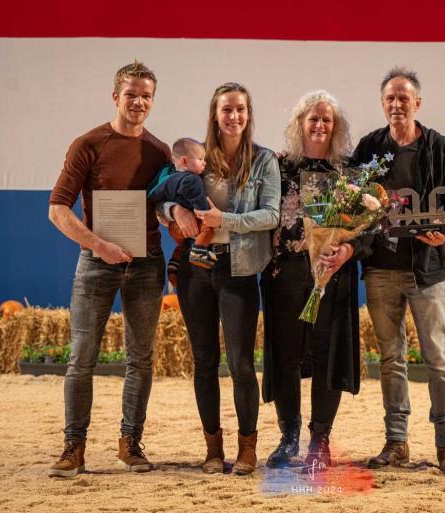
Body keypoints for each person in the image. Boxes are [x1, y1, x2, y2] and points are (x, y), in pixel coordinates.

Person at [47, 61, 170, 477]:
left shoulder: (160, 152)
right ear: (115, 96)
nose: (138, 102)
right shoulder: (88, 144)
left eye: (146, 96)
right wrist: (99, 245)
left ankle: (130, 443)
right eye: (131, 94)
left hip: (147, 264)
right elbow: (57, 209)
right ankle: (74, 447)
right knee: (81, 358)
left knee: (141, 359)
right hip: (96, 263)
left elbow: (165, 207)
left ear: (153, 101)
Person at [160, 83, 280, 476]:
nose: (234, 116)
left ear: (248, 114)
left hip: (238, 268)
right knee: (204, 360)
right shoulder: (196, 157)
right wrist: (175, 210)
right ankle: (213, 448)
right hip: (195, 271)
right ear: (215, 114)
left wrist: (224, 220)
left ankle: (247, 448)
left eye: (240, 109)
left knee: (241, 363)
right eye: (227, 109)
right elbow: (160, 195)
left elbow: (271, 215)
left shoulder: (263, 160)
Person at [352, 67, 445, 476]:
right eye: (390, 98)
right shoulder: (368, 148)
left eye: (404, 98)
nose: (397, 104)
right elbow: (351, 203)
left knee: (438, 359)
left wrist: (442, 231)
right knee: (391, 358)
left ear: (417, 103)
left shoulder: (440, 148)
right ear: (382, 104)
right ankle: (396, 441)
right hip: (380, 269)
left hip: (426, 272)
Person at [261, 91, 361, 471]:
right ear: (300, 123)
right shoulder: (278, 165)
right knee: (285, 355)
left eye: (326, 120)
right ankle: (289, 438)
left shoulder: (349, 172)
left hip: (331, 277)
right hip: (284, 274)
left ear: (335, 127)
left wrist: (348, 250)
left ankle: (320, 440)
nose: (320, 125)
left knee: (326, 356)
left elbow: (369, 230)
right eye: (313, 119)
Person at [148, 137, 217, 278]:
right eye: (200, 159)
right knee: (209, 228)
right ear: (185, 161)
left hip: (174, 227)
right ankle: (199, 252)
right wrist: (206, 213)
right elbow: (200, 206)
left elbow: (155, 199)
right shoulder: (192, 179)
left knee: (182, 245)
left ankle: (174, 262)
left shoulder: (167, 174)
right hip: (191, 225)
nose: (204, 163)